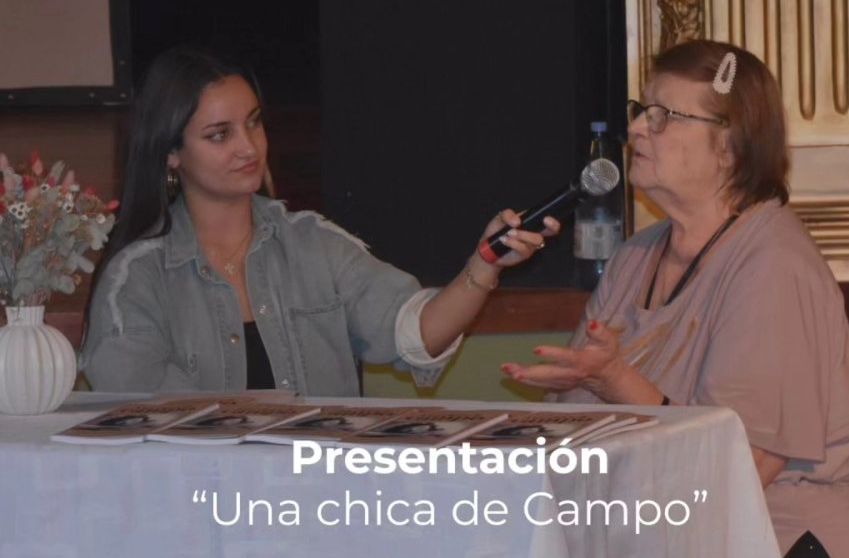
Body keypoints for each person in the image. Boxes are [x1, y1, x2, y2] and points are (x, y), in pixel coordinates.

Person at [503, 39, 849, 558]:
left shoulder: (773, 262)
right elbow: (583, 439)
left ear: (730, 148)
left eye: (666, 116)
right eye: (641, 109)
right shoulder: (635, 257)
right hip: (658, 530)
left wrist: (613, 379)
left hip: (786, 533)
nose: (638, 127)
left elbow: (743, 466)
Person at [82, 48, 557, 398]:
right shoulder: (136, 279)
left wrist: (485, 262)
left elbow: (414, 333)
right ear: (170, 153)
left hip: (321, 500)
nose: (249, 147)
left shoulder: (312, 243)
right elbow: (146, 423)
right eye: (219, 134)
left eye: (254, 123)